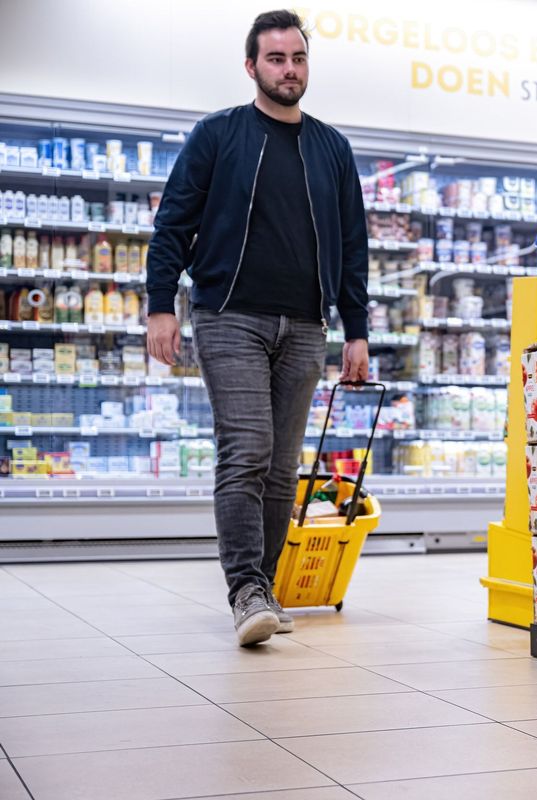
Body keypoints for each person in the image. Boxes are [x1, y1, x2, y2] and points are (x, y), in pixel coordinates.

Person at [145, 9, 369, 646]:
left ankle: (263, 589)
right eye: (276, 59)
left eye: (297, 58)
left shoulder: (332, 148)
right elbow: (173, 226)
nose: (289, 69)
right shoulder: (218, 135)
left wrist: (357, 328)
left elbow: (354, 246)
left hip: (305, 326)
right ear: (252, 66)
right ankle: (245, 591)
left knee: (280, 467)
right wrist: (162, 304)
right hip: (228, 316)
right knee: (245, 452)